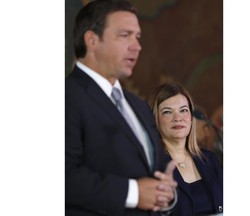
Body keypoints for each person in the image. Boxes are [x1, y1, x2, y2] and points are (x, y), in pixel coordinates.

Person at [65, 1, 177, 216]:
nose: (137, 46)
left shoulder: (139, 106)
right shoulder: (65, 96)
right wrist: (133, 193)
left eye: (137, 37)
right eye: (125, 35)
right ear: (92, 40)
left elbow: (158, 168)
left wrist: (167, 192)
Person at [149, 83, 223, 215]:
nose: (178, 118)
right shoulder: (153, 166)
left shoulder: (211, 160)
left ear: (190, 119)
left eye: (183, 110)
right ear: (156, 120)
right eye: (167, 112)